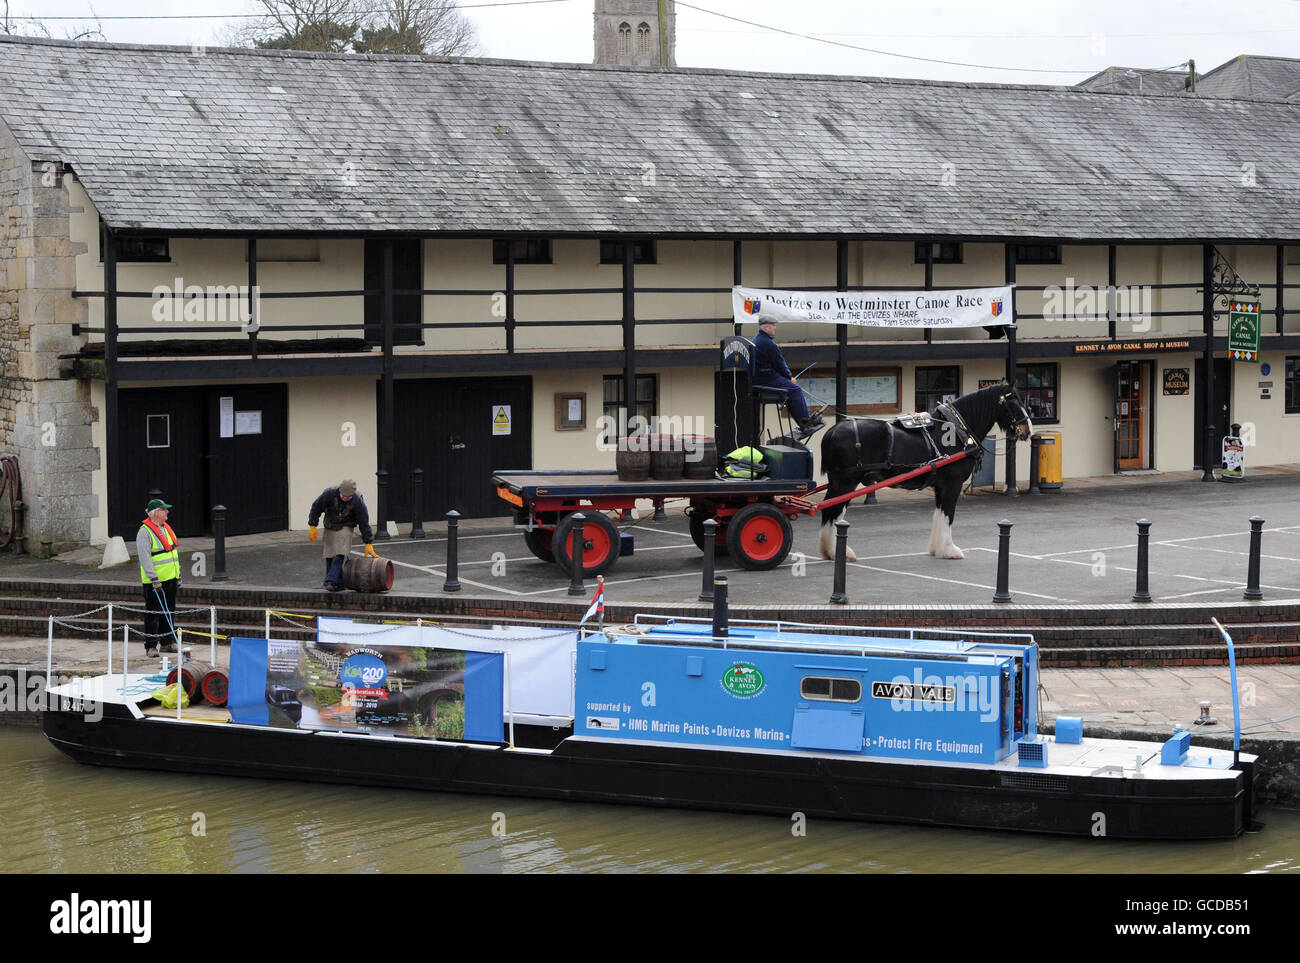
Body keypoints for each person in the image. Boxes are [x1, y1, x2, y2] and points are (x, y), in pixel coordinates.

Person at [753, 317, 824, 435]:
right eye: (773, 325)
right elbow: (780, 365)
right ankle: (805, 423)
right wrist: (789, 377)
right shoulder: (768, 344)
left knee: (790, 388)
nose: (775, 328)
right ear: (767, 327)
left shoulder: (757, 340)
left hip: (761, 378)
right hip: (767, 379)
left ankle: (802, 421)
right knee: (795, 389)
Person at [308, 479, 377, 591]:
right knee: (330, 554)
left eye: (348, 497)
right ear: (339, 490)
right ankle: (338, 583)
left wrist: (368, 542)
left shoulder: (358, 499)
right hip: (330, 523)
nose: (345, 498)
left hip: (346, 525)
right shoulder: (329, 493)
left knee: (340, 551)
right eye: (343, 496)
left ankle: (331, 580)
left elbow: (363, 521)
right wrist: (312, 525)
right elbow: (316, 507)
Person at [137, 497, 181, 657]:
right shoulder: (144, 532)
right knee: (153, 614)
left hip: (170, 578)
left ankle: (167, 642)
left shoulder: (166, 528)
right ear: (156, 513)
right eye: (164, 510)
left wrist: (178, 575)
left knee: (169, 611)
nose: (167, 512)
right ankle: (150, 646)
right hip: (155, 581)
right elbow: (145, 557)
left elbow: (173, 554)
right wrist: (153, 578)